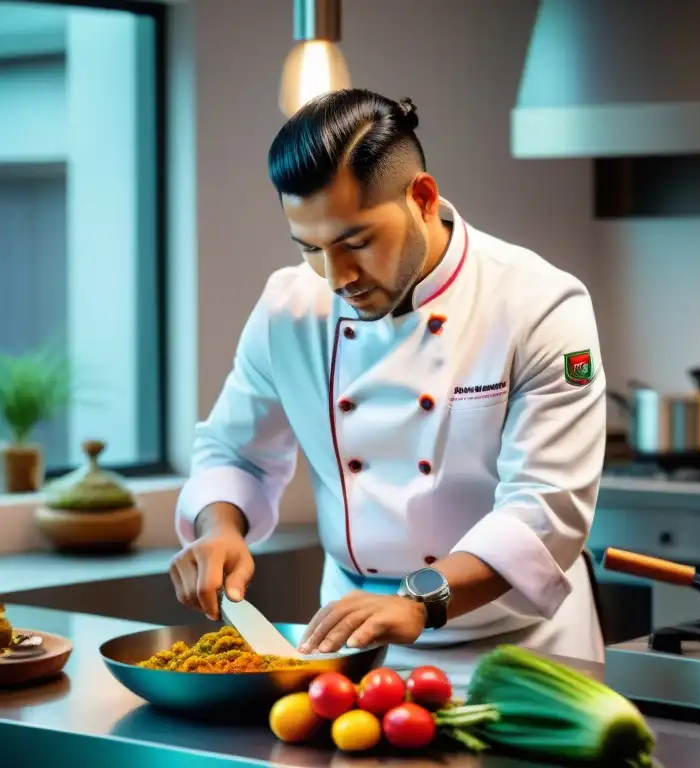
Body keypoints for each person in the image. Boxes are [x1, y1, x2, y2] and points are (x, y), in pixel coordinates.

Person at [169, 88, 607, 663]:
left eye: (357, 243)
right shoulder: (288, 309)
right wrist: (219, 527)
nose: (336, 276)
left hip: (523, 650)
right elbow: (235, 452)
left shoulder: (539, 305)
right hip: (346, 641)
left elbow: (544, 508)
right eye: (310, 249)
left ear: (422, 197)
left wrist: (419, 602)